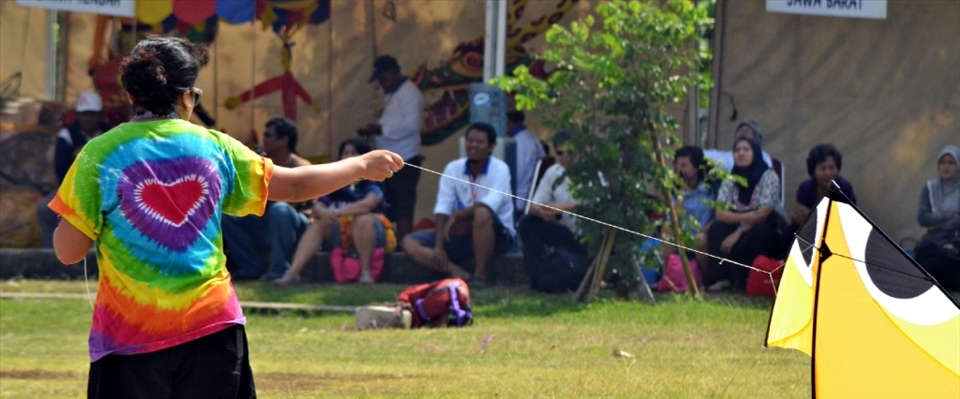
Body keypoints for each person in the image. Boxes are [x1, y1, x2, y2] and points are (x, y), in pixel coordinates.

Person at [49, 36, 401, 398]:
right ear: (188, 96)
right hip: (213, 332)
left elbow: (68, 252)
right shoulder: (214, 147)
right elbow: (295, 186)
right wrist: (360, 165)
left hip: (130, 342)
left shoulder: (99, 155)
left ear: (130, 94)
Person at [402, 122, 515, 288]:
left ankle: (480, 276)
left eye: (480, 142)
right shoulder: (453, 168)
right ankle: (456, 271)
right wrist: (439, 246)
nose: (473, 145)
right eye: (470, 141)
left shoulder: (500, 169)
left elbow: (489, 205)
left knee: (481, 213)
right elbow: (443, 208)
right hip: (461, 232)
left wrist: (457, 215)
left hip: (497, 235)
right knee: (409, 242)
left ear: (491, 147)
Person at [275, 138, 397, 286]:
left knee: (362, 219)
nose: (349, 156)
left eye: (354, 153)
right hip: (341, 232)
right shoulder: (337, 180)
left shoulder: (374, 178)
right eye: (345, 153)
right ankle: (293, 273)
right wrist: (324, 212)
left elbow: (368, 204)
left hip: (371, 230)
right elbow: (317, 207)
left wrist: (338, 212)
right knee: (320, 222)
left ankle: (366, 272)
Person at [222, 116, 313, 281]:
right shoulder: (260, 163)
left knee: (280, 210)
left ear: (284, 140)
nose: (263, 139)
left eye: (268, 135)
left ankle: (279, 270)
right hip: (266, 224)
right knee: (229, 213)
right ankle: (251, 268)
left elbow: (293, 202)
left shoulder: (300, 166)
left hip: (296, 227)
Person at [357, 55, 424, 243]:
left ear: (391, 73)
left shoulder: (410, 93)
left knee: (403, 206)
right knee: (390, 204)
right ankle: (392, 243)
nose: (380, 84)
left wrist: (380, 130)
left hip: (406, 159)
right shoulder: (393, 93)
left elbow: (412, 125)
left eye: (382, 78)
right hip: (390, 160)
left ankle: (405, 245)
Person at [706, 137, 785, 292]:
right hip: (739, 222)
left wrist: (738, 232)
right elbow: (720, 212)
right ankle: (722, 279)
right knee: (717, 228)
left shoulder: (769, 176)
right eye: (737, 150)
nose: (741, 153)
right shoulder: (730, 178)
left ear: (755, 153)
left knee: (760, 233)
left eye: (746, 150)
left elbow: (763, 213)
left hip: (766, 225)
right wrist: (746, 217)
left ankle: (752, 278)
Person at [36, 92, 110, 248]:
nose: (88, 119)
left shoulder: (110, 134)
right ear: (77, 115)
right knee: (45, 208)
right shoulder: (67, 135)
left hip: (106, 190)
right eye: (84, 114)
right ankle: (51, 254)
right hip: (73, 188)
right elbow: (61, 169)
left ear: (100, 115)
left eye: (92, 114)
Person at [517, 131, 587, 291]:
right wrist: (541, 212)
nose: (565, 157)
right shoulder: (553, 172)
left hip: (590, 235)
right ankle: (535, 277)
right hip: (567, 232)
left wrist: (560, 207)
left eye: (570, 152)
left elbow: (594, 208)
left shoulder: (593, 173)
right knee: (528, 223)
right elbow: (533, 205)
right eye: (560, 153)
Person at [783, 144, 857, 247]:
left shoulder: (844, 188)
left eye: (832, 168)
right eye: (823, 168)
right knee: (789, 232)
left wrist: (812, 216)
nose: (828, 173)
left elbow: (847, 221)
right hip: (810, 232)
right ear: (813, 172)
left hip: (836, 234)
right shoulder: (805, 188)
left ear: (838, 169)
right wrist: (797, 218)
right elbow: (798, 220)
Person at [661, 146, 715, 270]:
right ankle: (667, 274)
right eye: (677, 165)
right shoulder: (674, 191)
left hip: (705, 234)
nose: (679, 169)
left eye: (684, 165)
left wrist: (705, 230)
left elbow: (717, 216)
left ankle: (705, 279)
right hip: (682, 235)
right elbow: (673, 219)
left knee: (700, 240)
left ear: (696, 168)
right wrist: (682, 192)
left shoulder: (709, 189)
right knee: (667, 228)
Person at [915, 145, 960, 291]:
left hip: (955, 241)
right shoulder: (929, 188)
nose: (946, 167)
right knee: (929, 261)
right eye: (943, 162)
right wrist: (951, 216)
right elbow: (922, 217)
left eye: (951, 163)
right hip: (933, 240)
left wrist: (937, 222)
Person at [506, 110, 546, 218]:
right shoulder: (533, 138)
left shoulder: (516, 142)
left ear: (510, 123)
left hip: (519, 197)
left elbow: (517, 175)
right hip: (531, 193)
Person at [703, 120, 773, 171]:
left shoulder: (764, 160)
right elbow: (705, 155)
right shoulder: (729, 157)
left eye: (746, 149)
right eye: (738, 149)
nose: (741, 153)